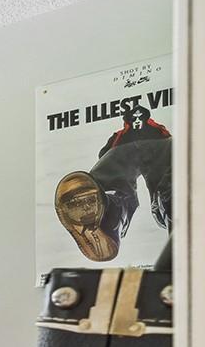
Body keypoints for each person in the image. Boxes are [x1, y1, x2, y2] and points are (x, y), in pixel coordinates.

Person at [54, 104, 171, 262]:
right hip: (157, 146)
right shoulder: (153, 131)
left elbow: (105, 154)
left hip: (132, 149)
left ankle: (110, 214)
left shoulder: (122, 136)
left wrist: (109, 153)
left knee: (113, 170)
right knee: (171, 170)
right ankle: (108, 214)